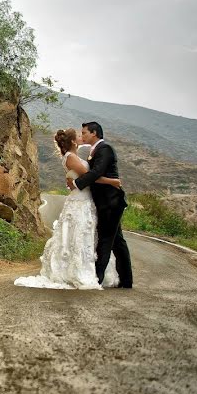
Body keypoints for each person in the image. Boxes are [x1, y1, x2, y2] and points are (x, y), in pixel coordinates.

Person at [15, 128, 120, 289]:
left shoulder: (74, 156)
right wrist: (112, 181)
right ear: (72, 141)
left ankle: (89, 269)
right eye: (78, 136)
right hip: (79, 201)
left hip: (85, 199)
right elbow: (89, 176)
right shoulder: (70, 157)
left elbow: (84, 175)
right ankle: (74, 271)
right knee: (77, 234)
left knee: (85, 234)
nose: (80, 137)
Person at [69, 121, 133, 288]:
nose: (82, 136)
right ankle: (126, 281)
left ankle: (96, 278)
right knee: (117, 241)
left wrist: (76, 184)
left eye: (84, 133)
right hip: (106, 202)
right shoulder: (94, 150)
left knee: (105, 239)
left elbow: (96, 172)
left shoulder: (105, 149)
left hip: (111, 202)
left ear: (94, 133)